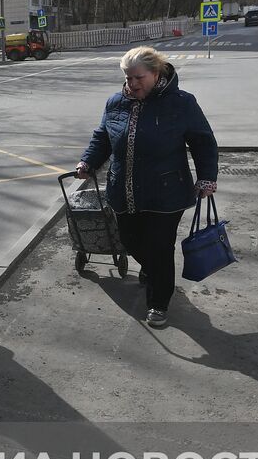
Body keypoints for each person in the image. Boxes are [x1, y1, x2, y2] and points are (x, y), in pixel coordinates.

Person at [76, 46, 218, 329]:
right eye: (128, 78)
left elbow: (203, 142)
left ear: (156, 73)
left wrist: (206, 178)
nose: (132, 84)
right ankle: (154, 271)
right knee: (129, 240)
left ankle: (158, 302)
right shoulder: (116, 102)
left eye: (139, 77)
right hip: (123, 190)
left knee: (160, 246)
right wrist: (87, 162)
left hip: (166, 192)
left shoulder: (181, 103)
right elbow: (102, 137)